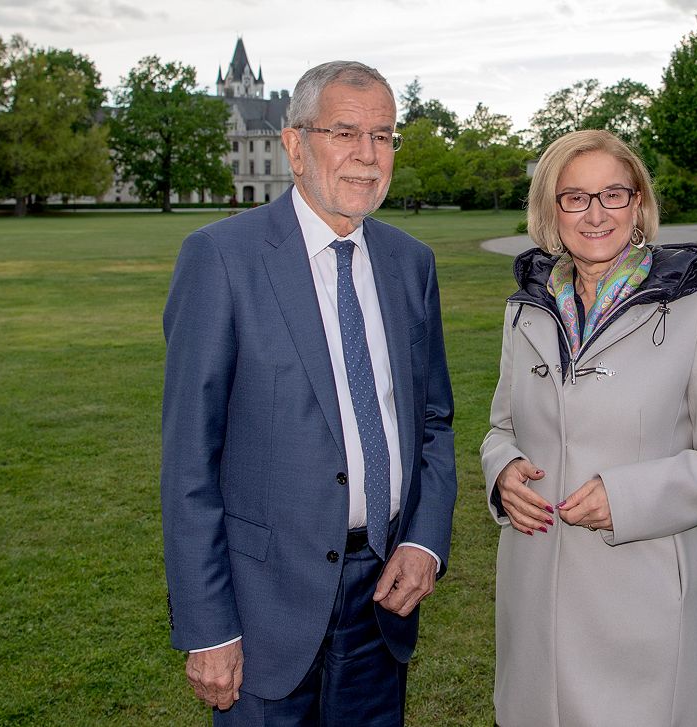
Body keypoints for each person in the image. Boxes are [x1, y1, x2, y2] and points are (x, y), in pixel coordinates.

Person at [161, 60, 457, 725]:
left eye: (383, 136)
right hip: (264, 609)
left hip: (381, 599)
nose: (367, 155)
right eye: (344, 132)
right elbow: (189, 463)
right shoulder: (221, 258)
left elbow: (433, 422)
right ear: (295, 145)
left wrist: (424, 540)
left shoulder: (411, 264)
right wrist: (210, 627)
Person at [480, 129, 697, 727]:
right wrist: (502, 469)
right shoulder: (525, 310)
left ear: (638, 204)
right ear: (550, 209)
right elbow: (501, 426)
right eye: (574, 197)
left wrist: (628, 497)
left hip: (641, 599)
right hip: (533, 596)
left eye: (613, 194)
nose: (595, 213)